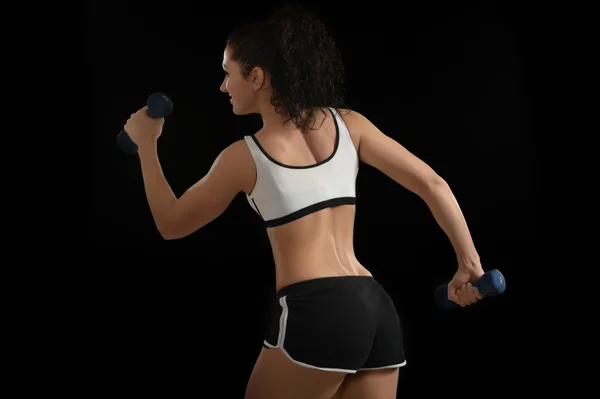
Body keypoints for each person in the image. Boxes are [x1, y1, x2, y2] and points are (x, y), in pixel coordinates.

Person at [123, 4, 485, 399]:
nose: (223, 86)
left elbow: (171, 223)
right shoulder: (350, 124)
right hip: (377, 309)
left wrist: (147, 145)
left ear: (257, 77)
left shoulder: (245, 156)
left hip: (318, 310)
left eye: (228, 73)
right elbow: (433, 183)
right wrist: (470, 265)